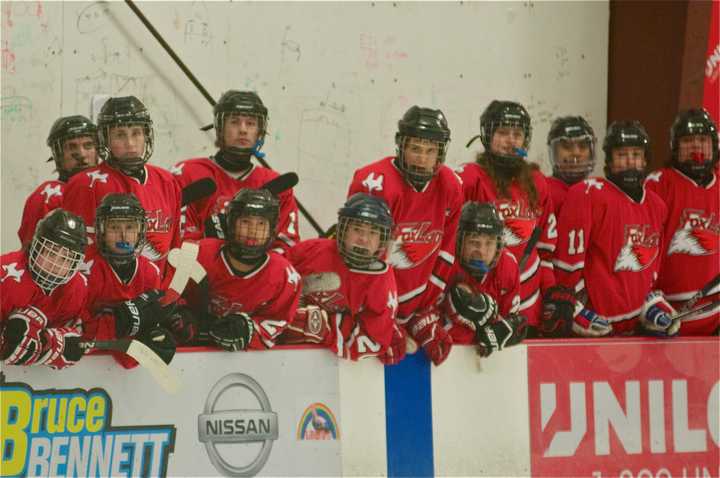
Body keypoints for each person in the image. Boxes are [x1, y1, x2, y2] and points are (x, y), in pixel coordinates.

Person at [347, 105, 463, 360]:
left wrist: (424, 312)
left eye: (430, 151)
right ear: (401, 146)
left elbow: (445, 252)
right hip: (372, 307)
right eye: (416, 149)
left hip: (415, 305)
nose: (422, 158)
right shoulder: (375, 182)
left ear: (441, 153)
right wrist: (380, 320)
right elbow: (360, 260)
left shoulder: (451, 186)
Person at [553, 120, 670, 336]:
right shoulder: (588, 194)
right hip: (596, 325)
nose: (629, 162)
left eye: (636, 155)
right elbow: (566, 266)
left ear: (645, 159)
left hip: (635, 329)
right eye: (621, 155)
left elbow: (649, 269)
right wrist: (574, 306)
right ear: (609, 160)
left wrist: (651, 305)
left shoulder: (657, 205)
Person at [457, 100, 556, 335]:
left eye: (517, 134)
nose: (511, 141)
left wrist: (552, 295)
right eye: (502, 133)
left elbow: (545, 249)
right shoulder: (470, 178)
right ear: (487, 136)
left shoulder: (537, 182)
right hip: (480, 299)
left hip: (528, 304)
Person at [279, 193, 404, 363]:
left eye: (373, 233)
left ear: (382, 240)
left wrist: (323, 326)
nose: (363, 239)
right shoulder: (311, 250)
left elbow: (373, 341)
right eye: (357, 229)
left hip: (331, 367)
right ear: (343, 230)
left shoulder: (382, 280)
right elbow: (271, 280)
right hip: (281, 354)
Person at [63, 96, 183, 270]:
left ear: (146, 135)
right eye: (120, 135)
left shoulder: (167, 181)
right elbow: (78, 255)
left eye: (136, 133)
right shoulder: (86, 185)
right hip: (109, 293)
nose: (130, 143)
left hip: (157, 291)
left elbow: (173, 250)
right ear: (105, 139)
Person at [172, 90, 299, 252]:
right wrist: (207, 239)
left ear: (260, 131)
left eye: (251, 123)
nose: (243, 130)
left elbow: (287, 247)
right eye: (234, 122)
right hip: (200, 273)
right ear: (220, 128)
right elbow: (173, 240)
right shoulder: (187, 174)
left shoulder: (277, 185)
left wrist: (254, 262)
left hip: (257, 275)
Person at [178, 188, 300, 351]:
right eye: (245, 222)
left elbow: (278, 320)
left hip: (240, 359)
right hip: (189, 350)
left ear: (272, 229)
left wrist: (249, 330)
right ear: (231, 223)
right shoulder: (199, 253)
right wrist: (180, 313)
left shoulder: (284, 275)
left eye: (261, 224)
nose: (253, 231)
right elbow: (168, 291)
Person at [410, 202, 526, 364]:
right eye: (474, 242)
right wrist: (431, 327)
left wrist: (500, 330)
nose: (481, 251)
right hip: (437, 357)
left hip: (484, 367)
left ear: (499, 244)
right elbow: (416, 313)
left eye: (489, 243)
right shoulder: (442, 261)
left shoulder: (507, 266)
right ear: (459, 240)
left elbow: (512, 321)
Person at [645, 108, 719, 335]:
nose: (696, 146)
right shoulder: (658, 185)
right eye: (688, 140)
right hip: (668, 313)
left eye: (702, 140)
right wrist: (648, 302)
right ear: (675, 146)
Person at [82, 193, 175, 366]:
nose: (123, 236)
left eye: (130, 227)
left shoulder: (150, 272)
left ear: (141, 230)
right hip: (86, 366)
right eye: (115, 227)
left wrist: (156, 336)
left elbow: (144, 332)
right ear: (101, 231)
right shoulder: (85, 270)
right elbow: (77, 334)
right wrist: (118, 323)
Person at [1, 209, 89, 369]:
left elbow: (75, 339)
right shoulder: (5, 274)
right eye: (50, 252)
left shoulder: (77, 288)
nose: (55, 264)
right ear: (36, 245)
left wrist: (50, 344)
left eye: (65, 258)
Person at [18, 115, 98, 247]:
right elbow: (33, 253)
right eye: (72, 147)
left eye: (88, 145)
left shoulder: (107, 188)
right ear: (58, 153)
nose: (82, 154)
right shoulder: (48, 196)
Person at [545, 115, 597, 218]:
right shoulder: (543, 192)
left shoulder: (599, 193)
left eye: (583, 146)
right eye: (567, 146)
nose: (576, 153)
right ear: (554, 151)